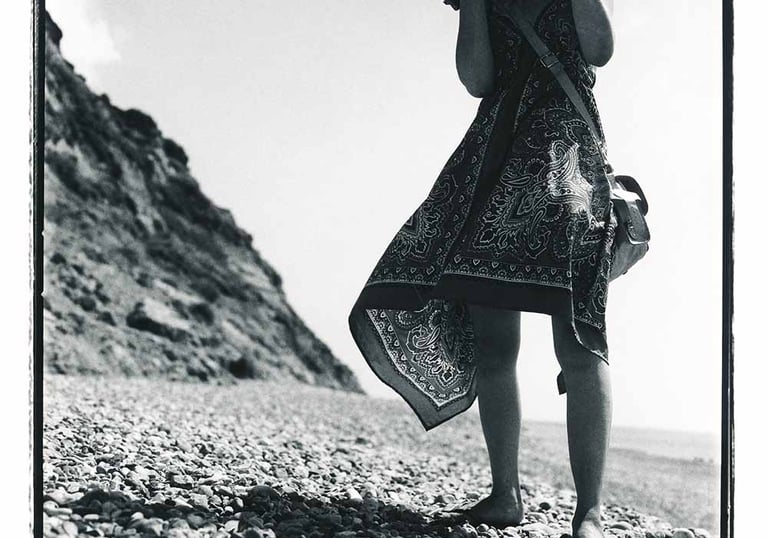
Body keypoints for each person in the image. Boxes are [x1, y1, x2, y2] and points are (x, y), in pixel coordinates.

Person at [348, 1, 616, 536]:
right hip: (492, 165)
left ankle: (590, 512)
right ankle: (504, 495)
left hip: (568, 165)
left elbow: (601, 50)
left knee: (580, 339)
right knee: (495, 346)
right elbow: (477, 80)